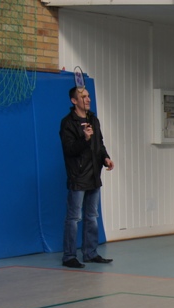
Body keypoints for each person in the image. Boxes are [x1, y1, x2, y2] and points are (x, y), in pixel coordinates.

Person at [59, 86, 115, 268]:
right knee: (74, 218)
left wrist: (105, 158)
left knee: (92, 216)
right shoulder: (68, 123)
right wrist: (84, 139)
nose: (88, 99)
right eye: (83, 97)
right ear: (74, 101)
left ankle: (90, 253)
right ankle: (69, 256)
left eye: (89, 96)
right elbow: (69, 150)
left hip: (94, 175)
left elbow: (100, 144)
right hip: (78, 176)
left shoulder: (93, 120)